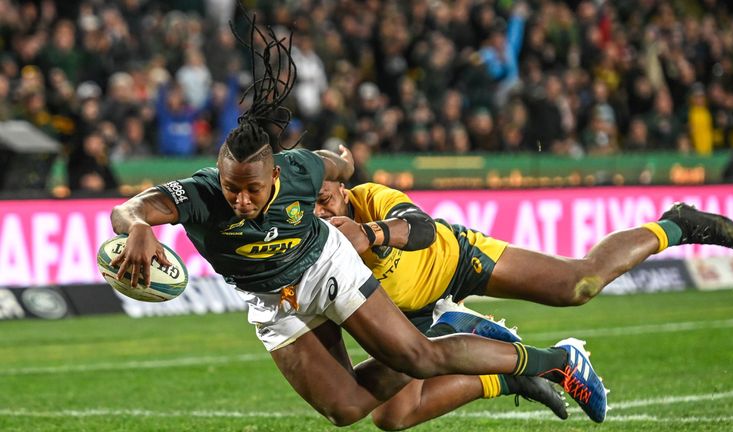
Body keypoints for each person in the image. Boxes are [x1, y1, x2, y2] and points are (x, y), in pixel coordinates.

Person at [109, 22, 608, 429]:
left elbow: (334, 165)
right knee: (346, 410)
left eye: (252, 189)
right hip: (269, 299)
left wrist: (346, 164)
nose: (240, 199)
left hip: (324, 263)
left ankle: (554, 363)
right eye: (231, 186)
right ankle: (451, 330)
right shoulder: (202, 194)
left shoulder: (299, 169)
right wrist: (138, 229)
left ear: (276, 174)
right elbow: (129, 210)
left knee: (419, 359)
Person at [312, 179, 733, 426]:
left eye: (326, 197)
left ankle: (675, 225)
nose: (322, 210)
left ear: (344, 188)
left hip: (456, 260)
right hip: (410, 314)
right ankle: (506, 376)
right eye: (310, 204)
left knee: (578, 285)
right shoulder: (315, 242)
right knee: (393, 416)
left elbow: (420, 228)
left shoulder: (370, 198)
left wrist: (369, 233)